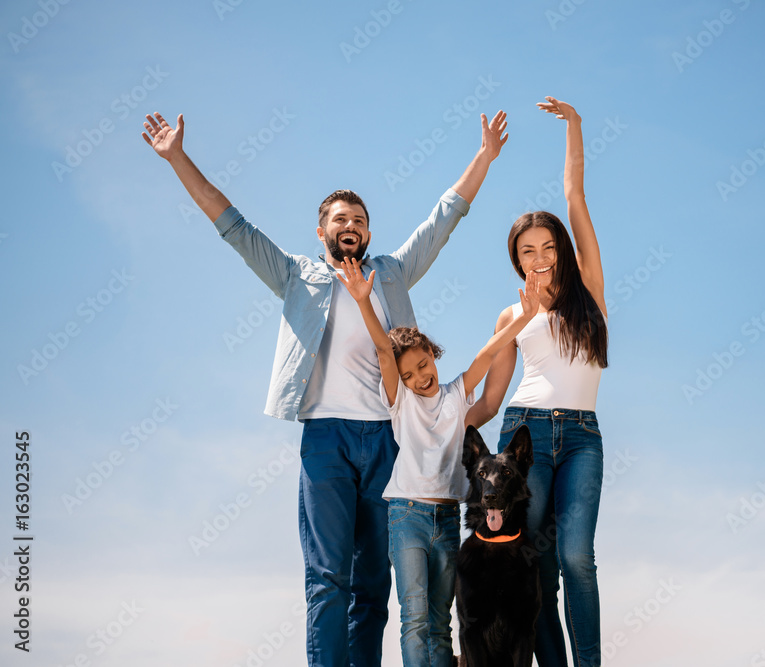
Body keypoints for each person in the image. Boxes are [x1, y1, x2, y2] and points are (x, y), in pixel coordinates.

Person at [141, 108, 508, 667]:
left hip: (389, 439)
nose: (350, 225)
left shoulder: (391, 272)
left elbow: (443, 219)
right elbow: (232, 224)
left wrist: (483, 157)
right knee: (328, 577)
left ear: (367, 230)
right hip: (326, 440)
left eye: (358, 218)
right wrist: (176, 159)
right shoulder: (294, 274)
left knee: (373, 584)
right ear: (322, 232)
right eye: (339, 218)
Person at [336, 256, 540, 667]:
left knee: (441, 623)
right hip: (406, 516)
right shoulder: (400, 402)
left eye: (423, 364)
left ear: (433, 353)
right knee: (412, 619)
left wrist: (525, 318)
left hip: (447, 520)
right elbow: (382, 348)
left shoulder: (456, 395)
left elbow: (488, 351)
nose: (419, 377)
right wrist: (362, 301)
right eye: (409, 373)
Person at [467, 97, 609, 667]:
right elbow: (490, 398)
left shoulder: (589, 294)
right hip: (523, 433)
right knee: (536, 563)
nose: (541, 257)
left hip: (581, 439)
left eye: (549, 247)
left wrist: (575, 126)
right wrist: (432, 418)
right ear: (517, 261)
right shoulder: (510, 316)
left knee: (576, 556)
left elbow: (574, 199)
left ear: (564, 253)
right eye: (528, 251)